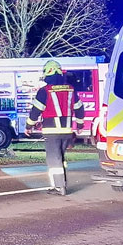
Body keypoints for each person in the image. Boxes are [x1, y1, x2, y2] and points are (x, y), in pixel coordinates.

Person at [27, 60, 78, 195]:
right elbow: (79, 107)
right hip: (67, 131)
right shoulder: (70, 89)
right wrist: (79, 124)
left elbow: (36, 111)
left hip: (52, 131)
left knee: (54, 159)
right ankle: (62, 183)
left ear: (47, 73)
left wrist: (29, 126)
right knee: (60, 158)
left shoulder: (44, 91)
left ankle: (60, 187)